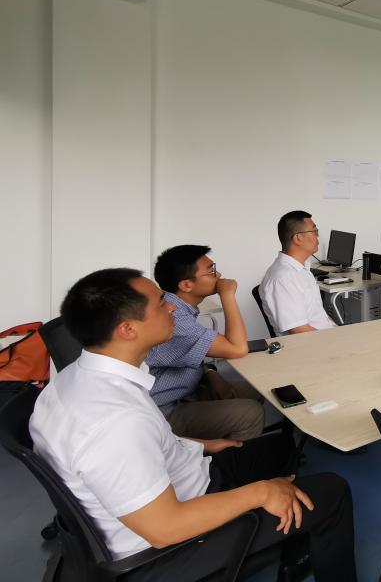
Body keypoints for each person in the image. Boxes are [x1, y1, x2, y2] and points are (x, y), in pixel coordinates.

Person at [29, 268, 356, 581]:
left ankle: (292, 548)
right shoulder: (116, 422)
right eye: (160, 303)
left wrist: (199, 445)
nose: (171, 307)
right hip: (170, 546)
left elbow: (147, 444)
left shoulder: (75, 378)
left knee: (281, 447)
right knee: (333, 490)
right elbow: (165, 529)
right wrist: (261, 492)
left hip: (185, 478)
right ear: (128, 329)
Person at [149, 245, 265, 441]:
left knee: (259, 389)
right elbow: (238, 349)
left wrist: (210, 373)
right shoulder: (175, 317)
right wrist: (227, 295)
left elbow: (187, 352)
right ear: (186, 285)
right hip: (162, 412)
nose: (218, 275)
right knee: (251, 412)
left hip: (188, 389)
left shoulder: (177, 306)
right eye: (211, 271)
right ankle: (219, 457)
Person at [259, 210, 335, 334]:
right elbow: (300, 332)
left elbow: (319, 317)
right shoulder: (283, 279)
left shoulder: (301, 269)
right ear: (298, 238)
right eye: (314, 231)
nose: (318, 236)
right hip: (313, 343)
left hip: (325, 336)